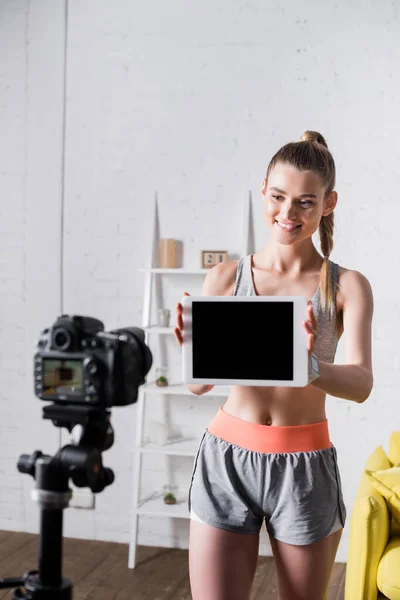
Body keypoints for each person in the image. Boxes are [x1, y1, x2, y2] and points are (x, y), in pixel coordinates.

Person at [174, 130, 374, 600]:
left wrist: (310, 368)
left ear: (328, 204)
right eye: (279, 197)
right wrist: (192, 352)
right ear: (264, 190)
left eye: (306, 202)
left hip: (303, 468)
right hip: (226, 458)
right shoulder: (226, 276)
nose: (288, 214)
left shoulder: (346, 286)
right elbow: (199, 388)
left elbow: (362, 382)